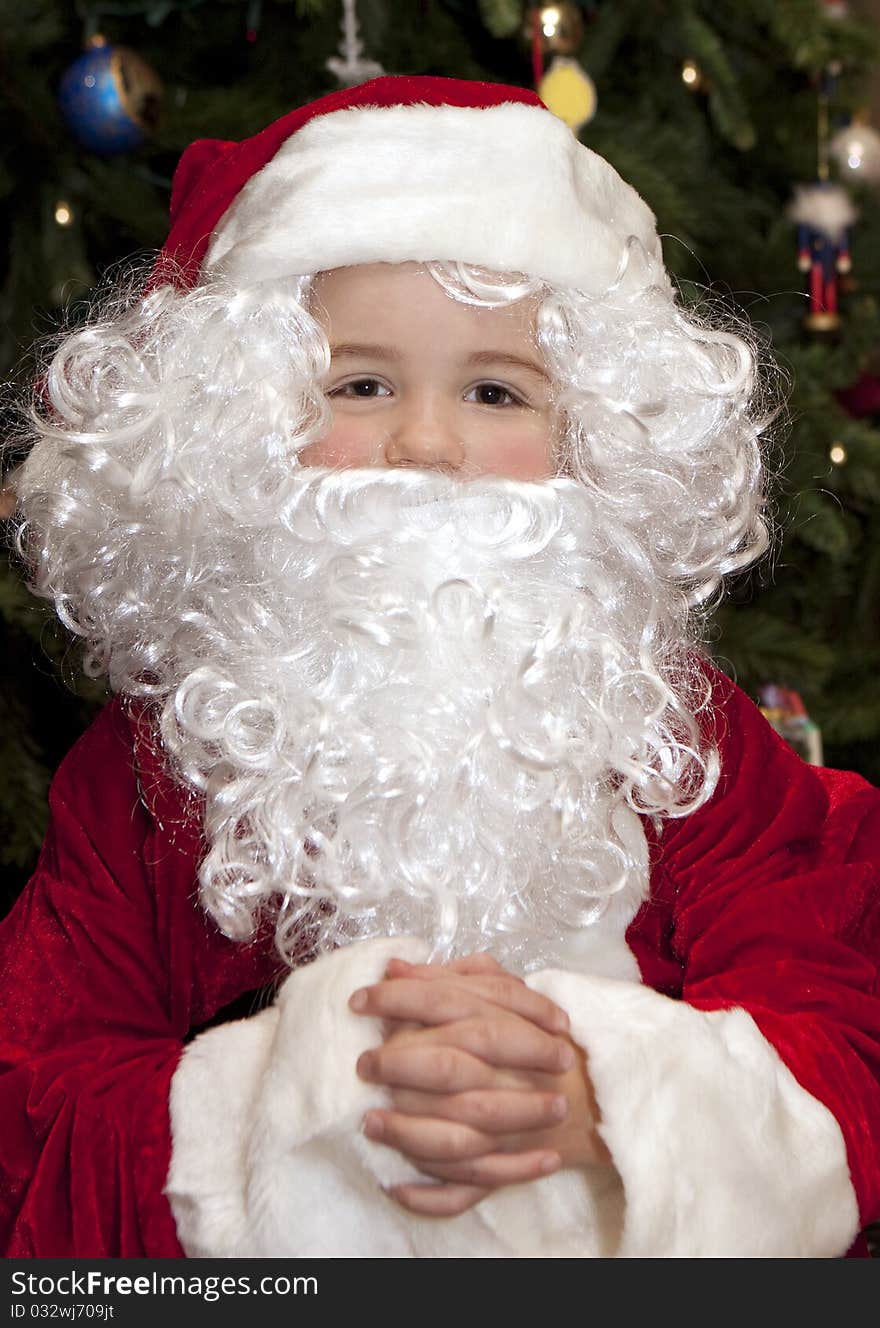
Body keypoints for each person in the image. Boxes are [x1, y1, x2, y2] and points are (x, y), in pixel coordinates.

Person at [2, 74, 879, 1259]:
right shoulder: (151, 771)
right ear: (239, 422)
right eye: (358, 383)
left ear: (594, 436)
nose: (423, 443)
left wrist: (608, 1093)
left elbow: (841, 1001)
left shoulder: (682, 741)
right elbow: (32, 1093)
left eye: (492, 389)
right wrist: (298, 1092)